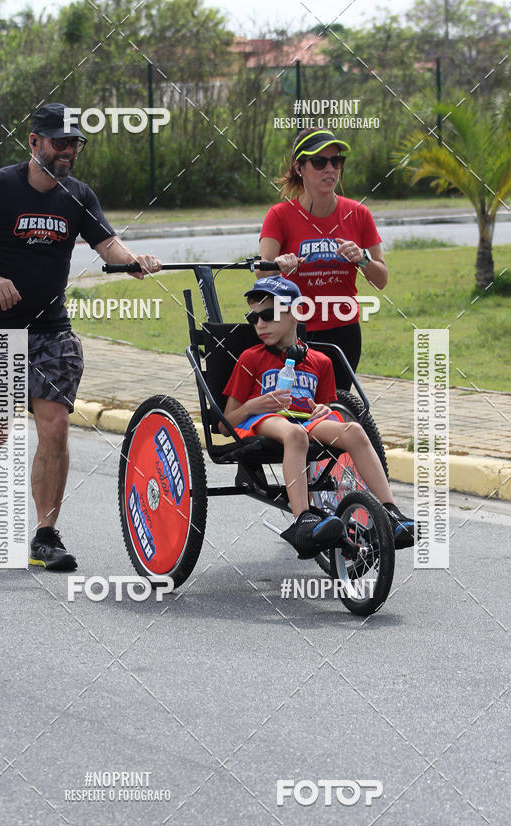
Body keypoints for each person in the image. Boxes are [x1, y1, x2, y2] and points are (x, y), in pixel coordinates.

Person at [0, 102, 162, 571]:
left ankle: (44, 535)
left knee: (55, 425)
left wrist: (132, 259)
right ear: (34, 141)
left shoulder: (77, 195)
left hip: (49, 329)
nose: (68, 151)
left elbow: (107, 242)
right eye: (59, 142)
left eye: (74, 143)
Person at [221, 276, 414, 558]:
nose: (260, 324)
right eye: (253, 318)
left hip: (305, 420)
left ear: (296, 313)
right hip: (263, 421)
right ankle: (303, 520)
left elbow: (324, 405)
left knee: (355, 432)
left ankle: (391, 513)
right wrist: (254, 405)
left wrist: (326, 409)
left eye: (268, 315)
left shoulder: (320, 362)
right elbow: (224, 423)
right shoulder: (251, 359)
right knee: (295, 433)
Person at [258, 128, 388, 391]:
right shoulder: (280, 215)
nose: (330, 169)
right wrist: (280, 265)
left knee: (337, 407)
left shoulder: (358, 213)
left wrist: (363, 259)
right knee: (301, 409)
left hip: (344, 331)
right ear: (299, 167)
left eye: (336, 162)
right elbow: (262, 274)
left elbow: (381, 280)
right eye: (320, 162)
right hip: (296, 332)